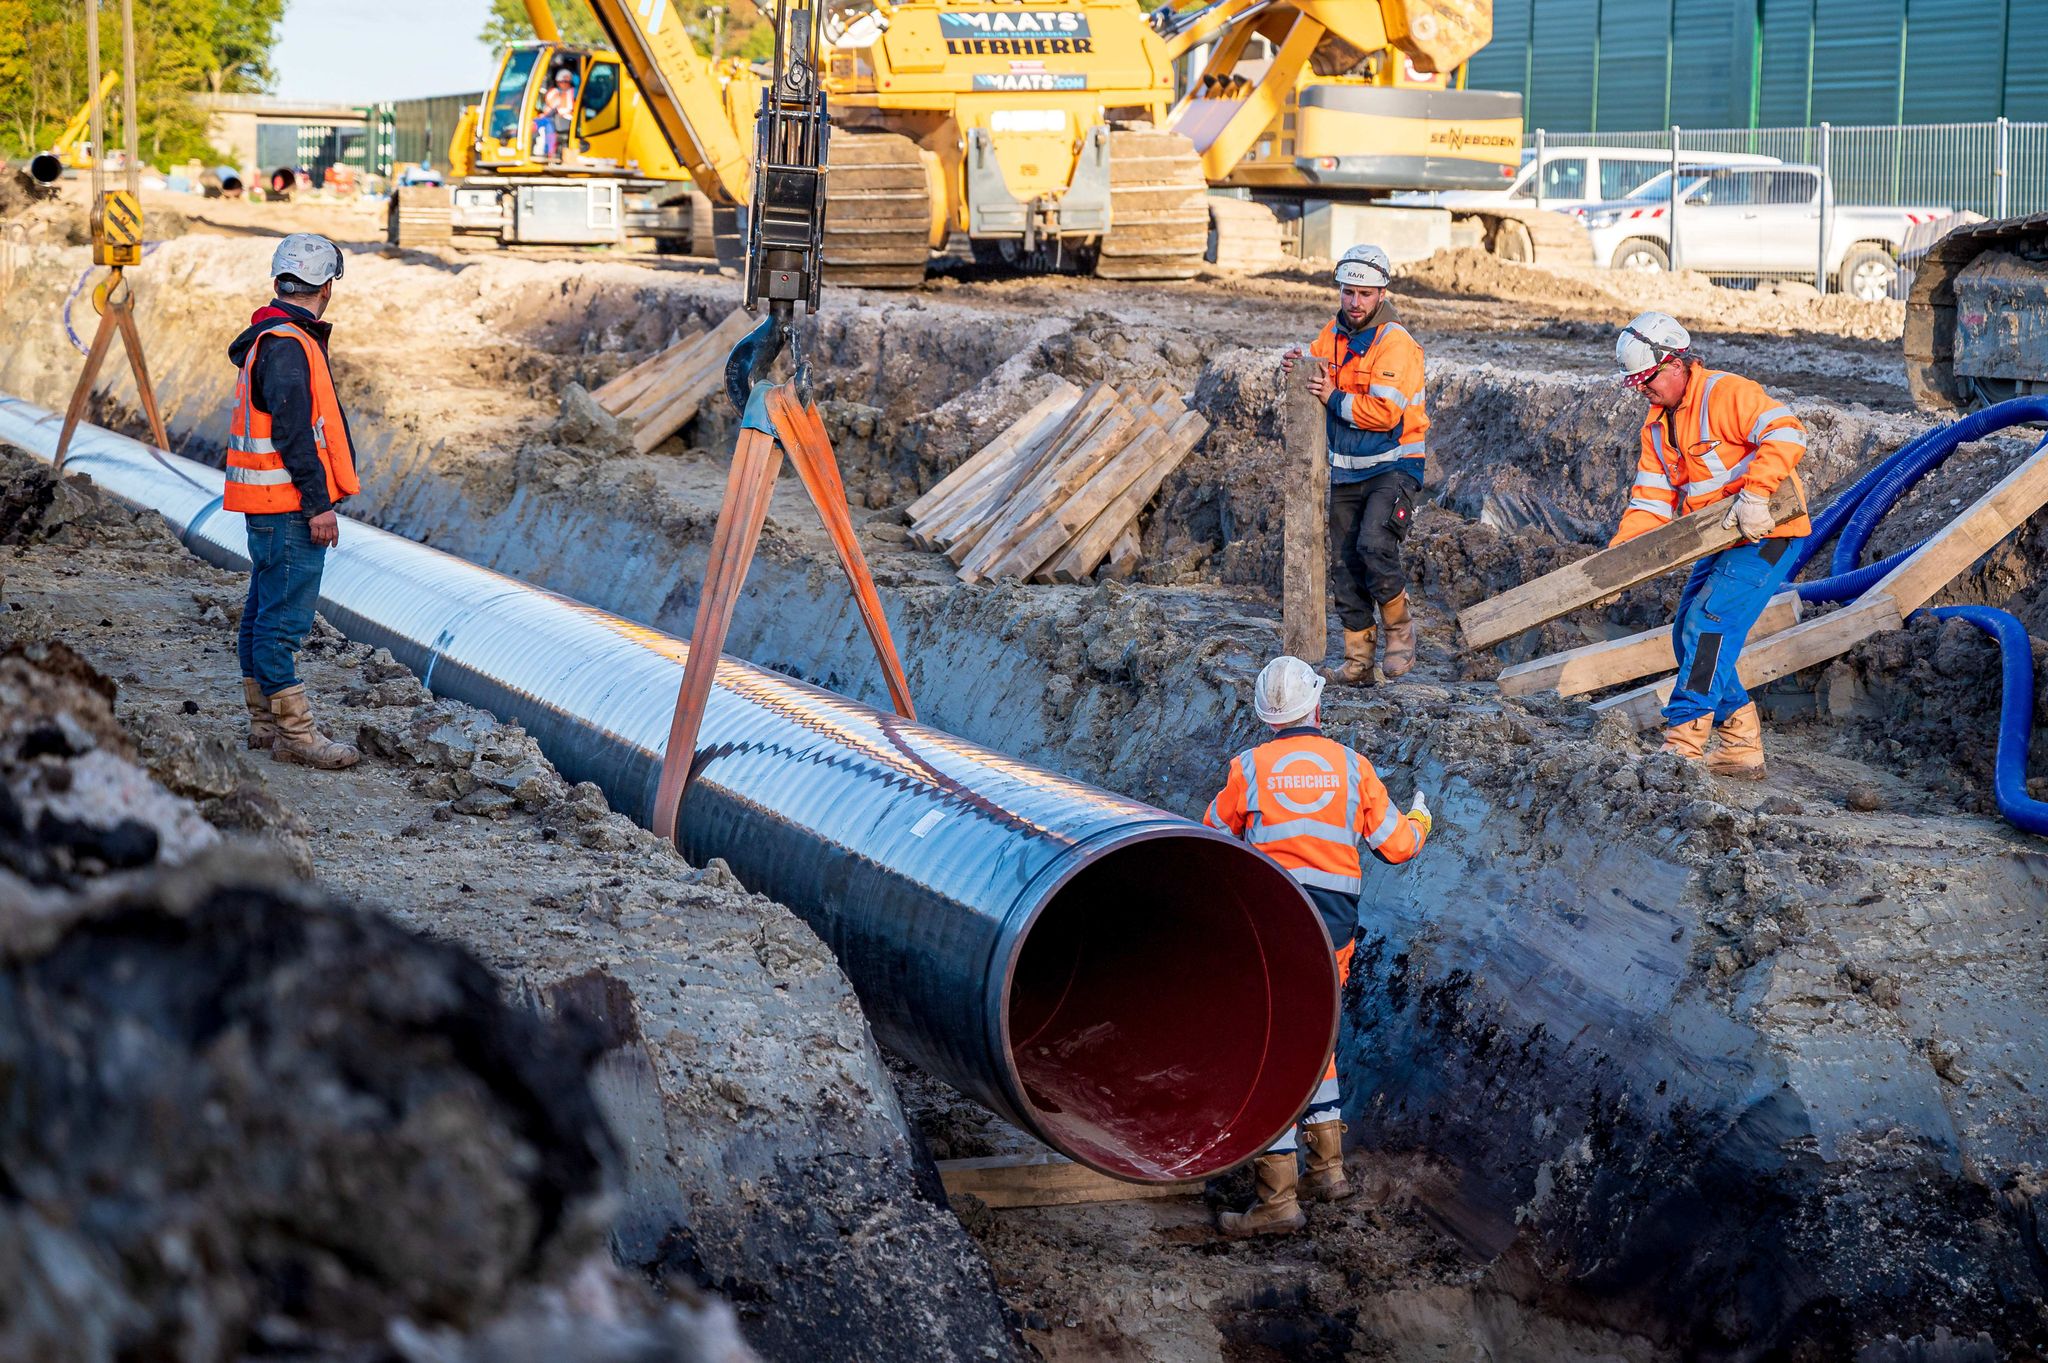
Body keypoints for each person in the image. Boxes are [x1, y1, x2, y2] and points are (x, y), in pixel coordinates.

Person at [1202, 655, 1432, 1237]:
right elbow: (1399, 847)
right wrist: (1421, 820)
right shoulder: (1354, 767)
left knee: (1272, 1047)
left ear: (1266, 717)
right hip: (1332, 928)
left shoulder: (1247, 768)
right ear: (1317, 707)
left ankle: (1277, 1201)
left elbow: (1210, 840)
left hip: (1272, 924)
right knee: (1315, 1033)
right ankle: (1328, 1170)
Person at [1612, 312, 1811, 778]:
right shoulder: (1658, 427)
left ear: (1675, 364)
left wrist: (1756, 494)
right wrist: (1617, 563)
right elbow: (1650, 502)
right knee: (1686, 631)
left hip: (1767, 533)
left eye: (1647, 380)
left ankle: (1683, 744)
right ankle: (1740, 743)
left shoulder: (1725, 393)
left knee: (1708, 626)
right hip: (1720, 537)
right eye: (1636, 383)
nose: (1642, 391)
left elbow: (1788, 431)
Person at [224, 233, 362, 770]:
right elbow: (294, 432)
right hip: (288, 505)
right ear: (326, 287)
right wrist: (317, 505)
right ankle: (295, 734)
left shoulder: (271, 337)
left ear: (280, 281)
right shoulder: (287, 344)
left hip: (269, 502)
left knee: (262, 612)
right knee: (282, 622)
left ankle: (264, 724)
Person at [1282, 243, 1429, 685]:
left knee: (1373, 545)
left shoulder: (1395, 342)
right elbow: (1315, 370)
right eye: (1348, 292)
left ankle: (1400, 632)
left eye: (1365, 294)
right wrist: (1296, 365)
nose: (1355, 302)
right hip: (1347, 467)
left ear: (1381, 294)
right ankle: (1358, 661)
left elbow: (1384, 413)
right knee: (1345, 564)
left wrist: (1332, 396)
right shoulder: (1332, 334)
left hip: (1394, 465)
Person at [539, 68, 577, 161]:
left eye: (567, 82)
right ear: (558, 82)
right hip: (555, 118)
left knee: (550, 124)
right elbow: (549, 107)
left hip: (570, 119)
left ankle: (550, 153)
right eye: (562, 82)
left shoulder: (575, 92)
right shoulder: (554, 92)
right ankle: (548, 153)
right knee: (545, 122)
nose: (565, 84)